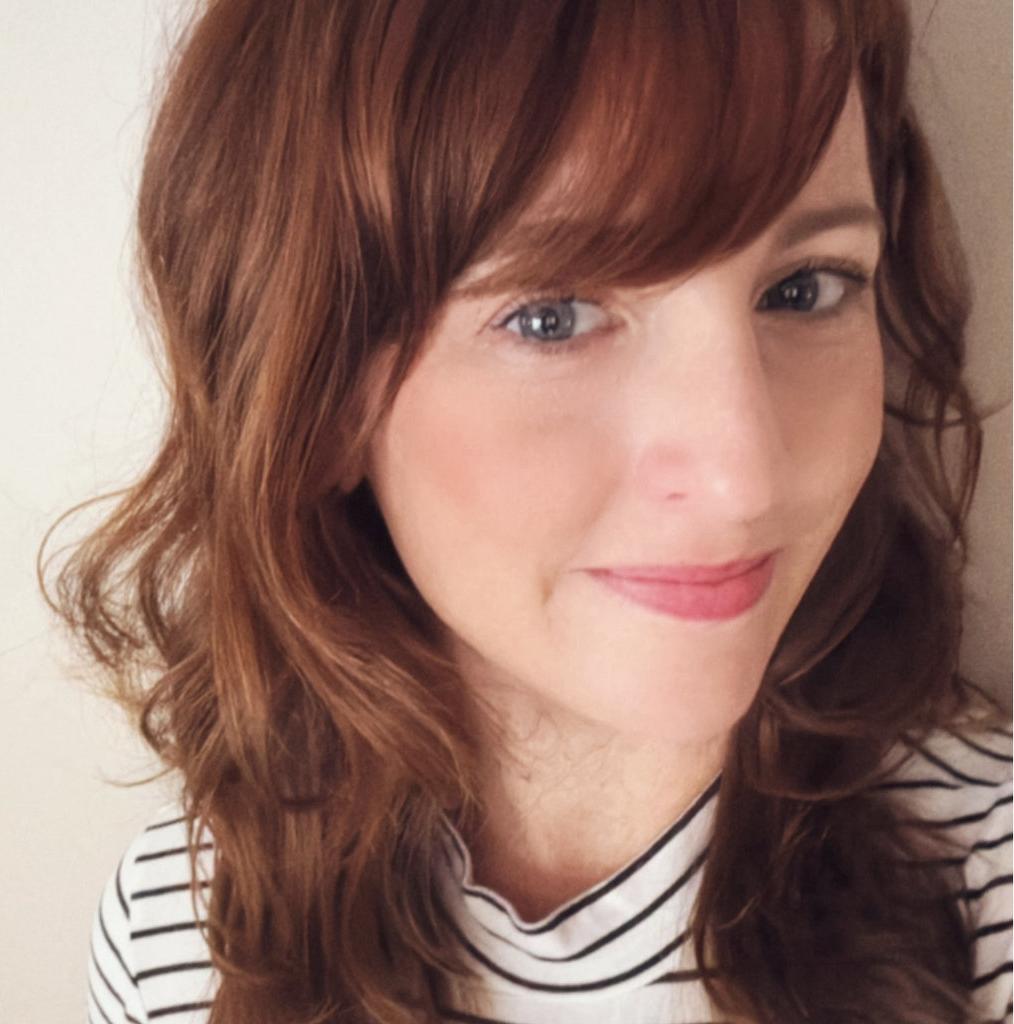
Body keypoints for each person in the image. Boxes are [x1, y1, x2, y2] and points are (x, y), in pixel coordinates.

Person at [49, 1, 1011, 1022]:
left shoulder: (989, 895)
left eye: (805, 289)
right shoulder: (182, 942)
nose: (747, 479)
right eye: (552, 318)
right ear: (320, 404)